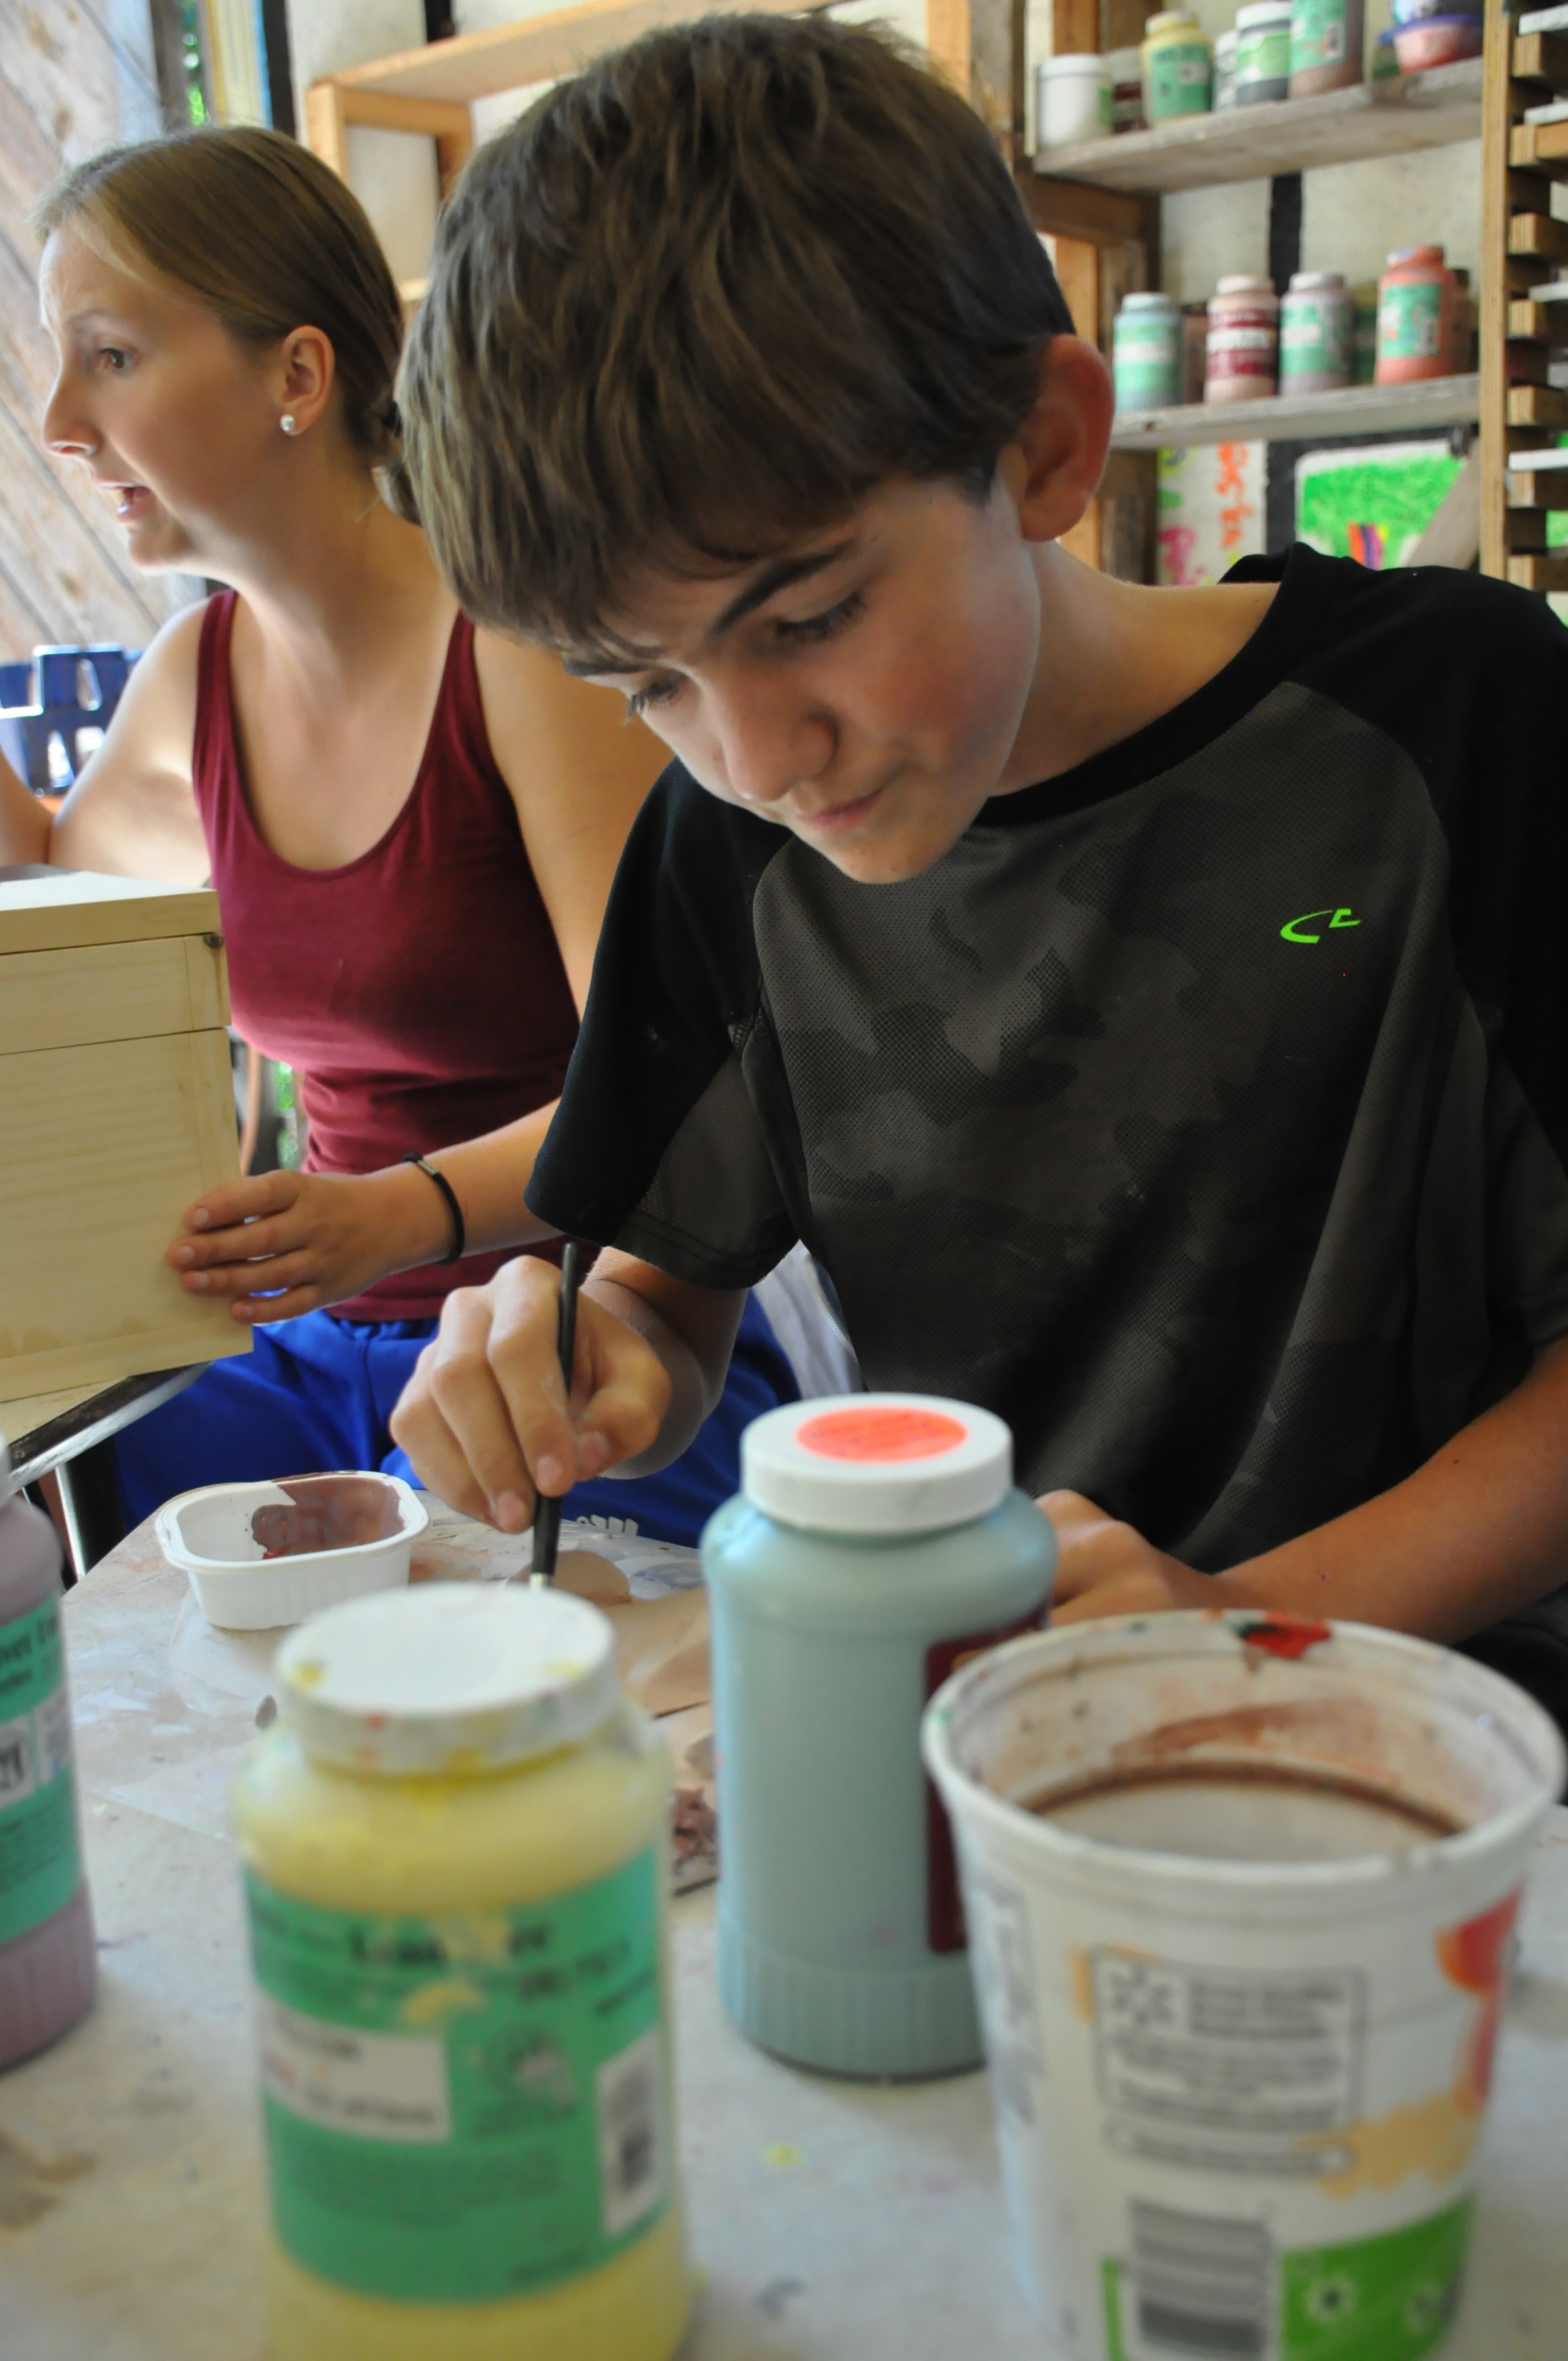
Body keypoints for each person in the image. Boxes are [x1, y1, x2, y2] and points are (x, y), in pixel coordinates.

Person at [386, 15, 1568, 1726]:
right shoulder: (724, 851)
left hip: (1445, 1739)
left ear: (1040, 447)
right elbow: (670, 1272)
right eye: (642, 683)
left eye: (805, 620)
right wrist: (591, 1357)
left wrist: (1242, 1618)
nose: (754, 757)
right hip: (992, 1727)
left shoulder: (1452, 722)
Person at [8, 124, 795, 1546]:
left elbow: (688, 1085)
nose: (60, 419)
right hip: (298, 1346)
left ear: (296, 376)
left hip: (567, 1337)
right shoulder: (190, 676)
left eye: (110, 355)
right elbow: (56, 874)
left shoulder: (519, 655)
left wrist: (393, 1211)